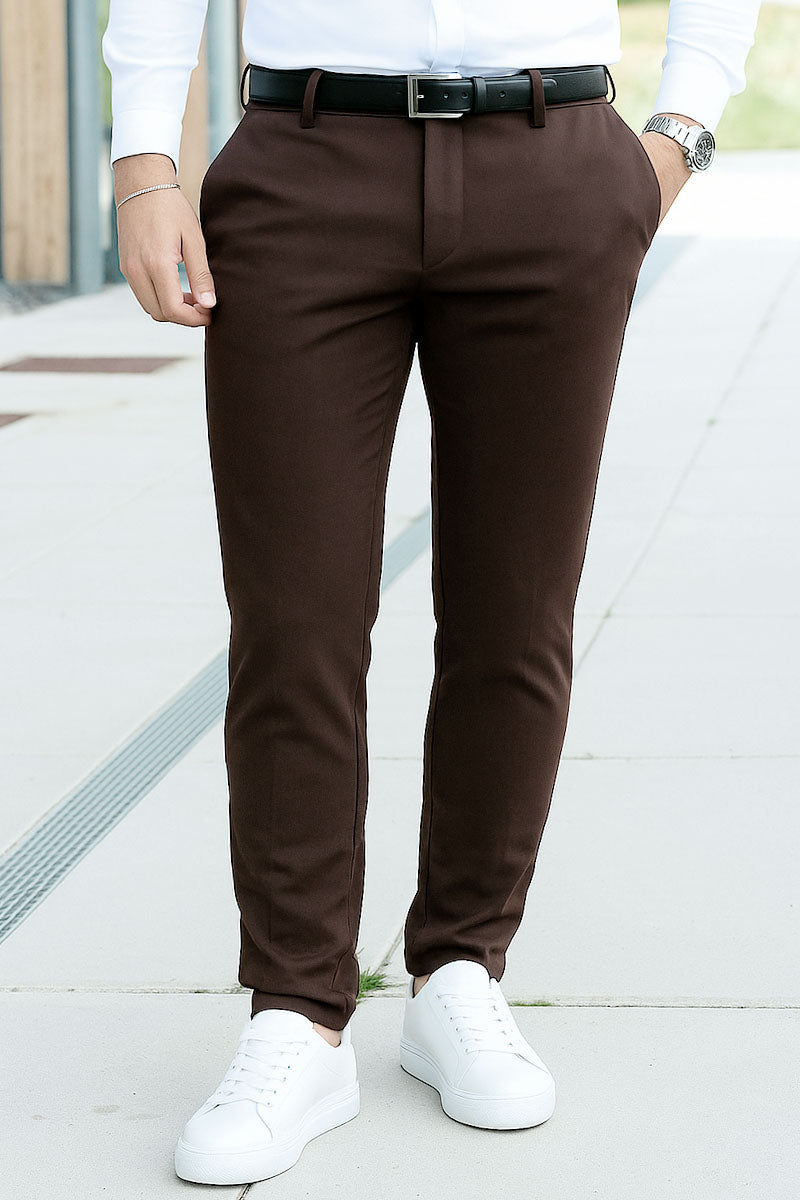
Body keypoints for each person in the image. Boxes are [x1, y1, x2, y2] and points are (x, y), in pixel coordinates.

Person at [102, 0, 761, 1186]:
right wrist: (143, 158)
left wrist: (679, 130)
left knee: (515, 613)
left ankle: (461, 969)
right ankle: (296, 1013)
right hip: (305, 166)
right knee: (293, 623)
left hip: (554, 163)